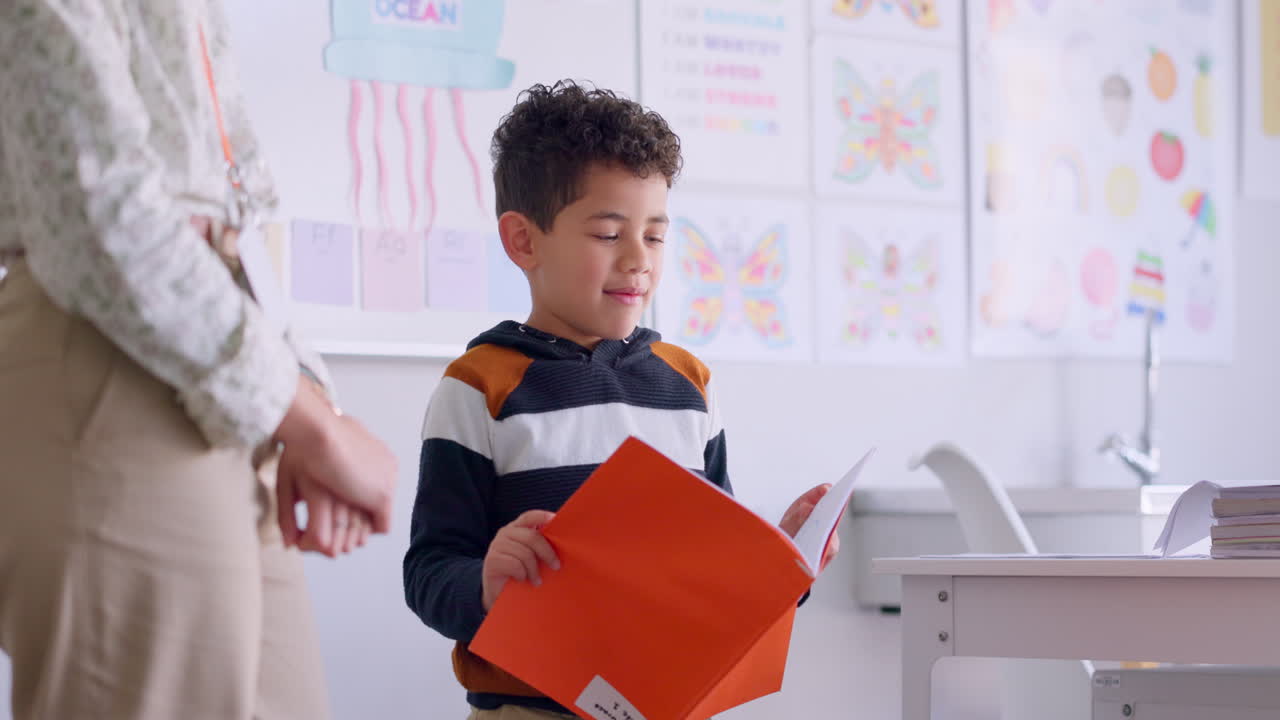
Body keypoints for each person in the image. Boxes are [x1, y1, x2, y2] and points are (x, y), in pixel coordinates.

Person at [0, 2, 396, 718]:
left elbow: (232, 229)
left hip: (231, 368)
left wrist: (305, 401)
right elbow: (96, 217)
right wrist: (314, 426)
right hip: (111, 351)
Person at [403, 81, 839, 720]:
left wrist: (782, 564)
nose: (638, 260)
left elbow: (709, 576)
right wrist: (486, 584)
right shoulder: (480, 387)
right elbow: (429, 571)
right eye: (609, 234)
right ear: (524, 241)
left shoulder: (689, 385)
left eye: (655, 237)